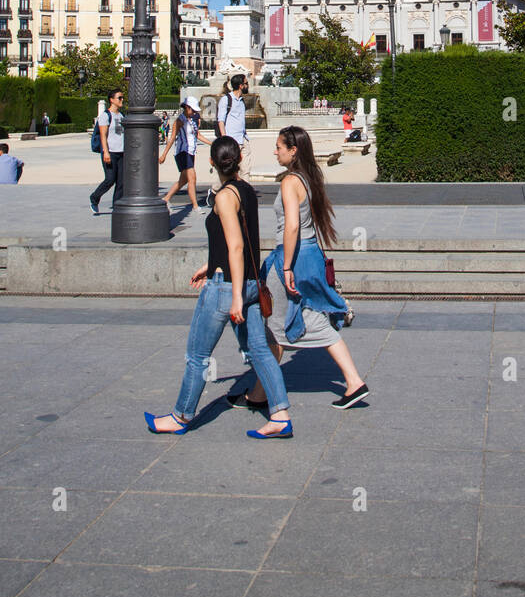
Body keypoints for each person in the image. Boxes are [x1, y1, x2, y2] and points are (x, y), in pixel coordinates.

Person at [144, 135, 292, 440]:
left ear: (211, 162)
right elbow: (239, 241)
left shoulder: (225, 196)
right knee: (261, 351)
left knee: (197, 354)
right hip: (250, 282)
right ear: (237, 159)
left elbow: (236, 246)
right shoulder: (247, 191)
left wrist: (234, 294)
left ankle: (180, 416)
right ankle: (279, 415)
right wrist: (210, 265)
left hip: (228, 288)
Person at [231, 125, 369, 412]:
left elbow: (292, 225)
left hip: (293, 256)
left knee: (278, 321)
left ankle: (265, 395)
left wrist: (285, 266)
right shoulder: (307, 178)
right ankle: (260, 393)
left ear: (293, 151)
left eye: (279, 146)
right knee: (290, 318)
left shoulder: (289, 182)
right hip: (309, 255)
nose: (275, 150)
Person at [161, 96, 211, 217]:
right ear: (187, 107)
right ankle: (195, 206)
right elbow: (172, 137)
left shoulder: (191, 120)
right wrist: (164, 154)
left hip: (190, 152)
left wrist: (212, 143)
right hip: (183, 152)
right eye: (192, 110)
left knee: (183, 180)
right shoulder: (180, 120)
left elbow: (198, 135)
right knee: (192, 178)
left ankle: (165, 199)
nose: (194, 112)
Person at [89, 88, 125, 215]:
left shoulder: (121, 115)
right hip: (110, 152)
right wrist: (106, 152)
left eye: (122, 98)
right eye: (119, 98)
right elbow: (103, 135)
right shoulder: (105, 116)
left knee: (121, 181)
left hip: (122, 152)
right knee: (110, 179)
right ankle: (94, 198)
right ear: (111, 100)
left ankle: (117, 206)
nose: (122, 100)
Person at [218, 74, 251, 181]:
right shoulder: (226, 99)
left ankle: (245, 195)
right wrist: (225, 140)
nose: (248, 85)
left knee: (245, 170)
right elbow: (221, 121)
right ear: (241, 85)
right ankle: (215, 191)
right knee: (230, 173)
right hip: (232, 141)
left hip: (243, 139)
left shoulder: (241, 101)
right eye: (246, 83)